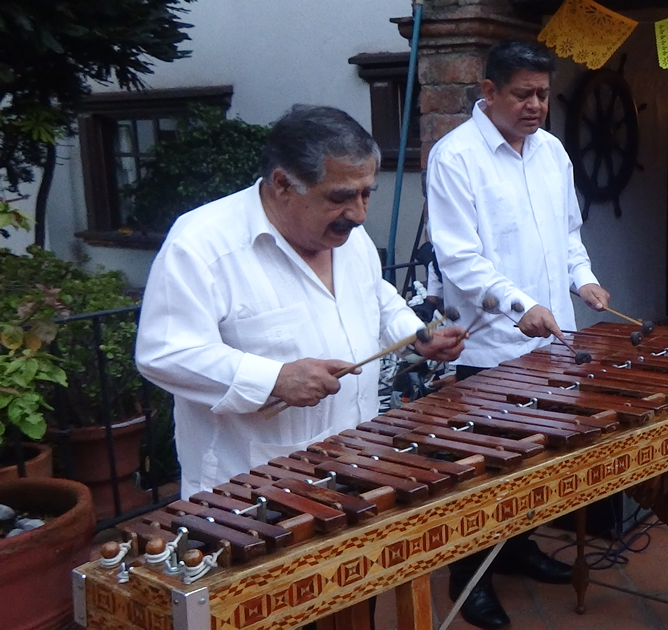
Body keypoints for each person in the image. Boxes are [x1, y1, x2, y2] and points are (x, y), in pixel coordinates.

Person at [136, 105, 467, 501]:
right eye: (341, 197)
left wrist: (413, 334)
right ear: (282, 184)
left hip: (355, 463)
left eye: (366, 194)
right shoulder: (201, 246)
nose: (359, 214)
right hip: (250, 488)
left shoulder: (350, 238)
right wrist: (273, 379)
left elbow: (374, 295)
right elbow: (164, 352)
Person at [425, 39, 609, 629]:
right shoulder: (455, 158)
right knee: (486, 466)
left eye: (543, 94)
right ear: (489, 92)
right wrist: (519, 302)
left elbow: (569, 232)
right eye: (522, 94)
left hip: (555, 339)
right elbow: (459, 259)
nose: (535, 105)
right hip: (491, 344)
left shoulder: (553, 151)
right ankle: (468, 576)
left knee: (537, 458)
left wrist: (584, 280)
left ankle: (519, 549)